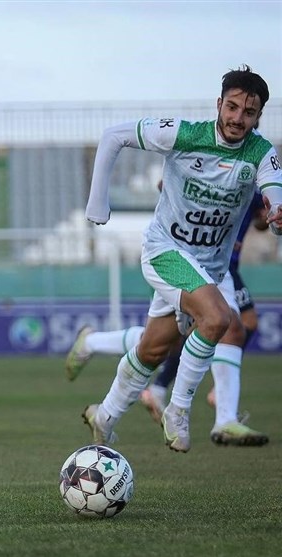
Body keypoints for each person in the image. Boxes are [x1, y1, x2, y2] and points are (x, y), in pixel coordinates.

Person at [79, 65, 282, 453]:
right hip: (164, 252)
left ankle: (103, 415)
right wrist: (98, 203)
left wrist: (277, 218)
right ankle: (179, 410)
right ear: (219, 104)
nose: (238, 118)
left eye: (249, 112)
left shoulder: (261, 153)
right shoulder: (184, 134)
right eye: (233, 107)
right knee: (219, 318)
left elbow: (275, 199)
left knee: (154, 348)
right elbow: (113, 136)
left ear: (259, 116)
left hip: (208, 267)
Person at [66, 192, 271, 447]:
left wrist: (271, 215)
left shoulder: (250, 164)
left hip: (217, 264)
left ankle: (107, 414)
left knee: (178, 340)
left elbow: (266, 215)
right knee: (185, 335)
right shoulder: (208, 160)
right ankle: (184, 406)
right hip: (175, 258)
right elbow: (167, 180)